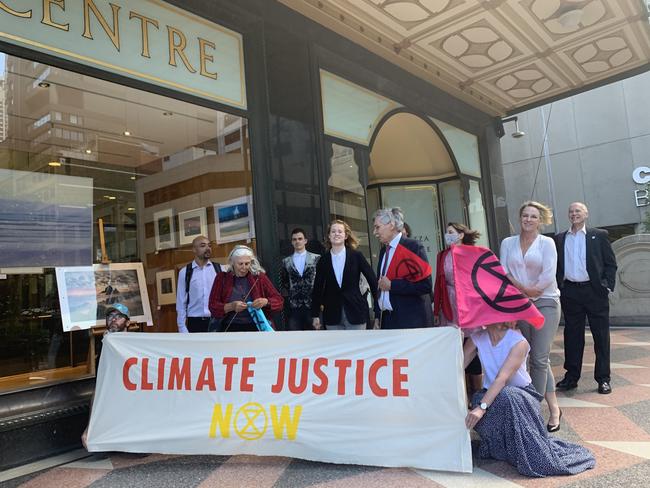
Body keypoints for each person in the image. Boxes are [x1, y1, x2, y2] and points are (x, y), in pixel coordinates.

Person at [464, 323, 595, 478]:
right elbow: (458, 365)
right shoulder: (477, 338)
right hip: (493, 395)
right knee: (480, 398)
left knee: (506, 395)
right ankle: (502, 447)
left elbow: (502, 379)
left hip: (521, 396)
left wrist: (482, 407)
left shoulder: (519, 342)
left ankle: (518, 448)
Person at [500, 202, 562, 431]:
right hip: (520, 303)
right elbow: (503, 270)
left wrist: (532, 290)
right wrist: (523, 289)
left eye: (533, 216)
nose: (528, 219)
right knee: (529, 357)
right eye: (525, 215)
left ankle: (533, 410)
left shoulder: (547, 243)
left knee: (539, 358)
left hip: (545, 301)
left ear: (540, 220)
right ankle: (554, 407)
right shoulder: (508, 243)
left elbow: (548, 274)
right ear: (520, 218)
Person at [554, 202, 617, 394]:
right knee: (572, 336)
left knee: (601, 336)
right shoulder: (559, 239)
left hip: (595, 291)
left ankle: (603, 379)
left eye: (578, 211)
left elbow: (610, 264)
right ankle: (571, 377)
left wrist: (607, 287)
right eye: (571, 211)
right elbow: (556, 266)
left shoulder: (599, 235)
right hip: (570, 292)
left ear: (586, 214)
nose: (574, 214)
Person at [433, 222, 482, 397]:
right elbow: (438, 284)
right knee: (455, 345)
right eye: (446, 232)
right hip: (449, 302)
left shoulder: (472, 253)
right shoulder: (442, 255)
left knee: (472, 344)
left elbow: (480, 279)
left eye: (451, 232)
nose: (448, 235)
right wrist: (436, 309)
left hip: (468, 302)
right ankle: (460, 391)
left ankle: (477, 391)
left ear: (461, 235)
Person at [311, 220, 377, 330]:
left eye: (340, 231)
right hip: (332, 314)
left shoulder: (356, 256)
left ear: (345, 235)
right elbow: (317, 288)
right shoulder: (323, 260)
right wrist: (315, 315)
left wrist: (378, 312)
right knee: (336, 347)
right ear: (328, 235)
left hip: (356, 312)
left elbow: (372, 281)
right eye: (333, 231)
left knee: (357, 346)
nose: (336, 234)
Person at [81, 303, 131, 449]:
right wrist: (89, 428)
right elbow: (100, 386)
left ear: (127, 322)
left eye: (118, 317)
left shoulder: (136, 343)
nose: (113, 320)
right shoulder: (104, 345)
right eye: (110, 316)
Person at [372, 208, 432, 329]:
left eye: (377, 227)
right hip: (387, 321)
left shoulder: (413, 246)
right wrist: (378, 315)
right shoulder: (384, 250)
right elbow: (380, 286)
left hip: (409, 321)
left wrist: (392, 285)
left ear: (391, 225)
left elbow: (425, 285)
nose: (375, 232)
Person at [208, 245, 283, 332]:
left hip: (257, 327)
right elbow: (213, 306)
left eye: (247, 263)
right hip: (230, 327)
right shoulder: (222, 278)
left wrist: (265, 302)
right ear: (232, 263)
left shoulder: (259, 277)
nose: (244, 267)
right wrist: (231, 306)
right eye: (240, 264)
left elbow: (279, 301)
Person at [176, 236, 222, 333]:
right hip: (194, 322)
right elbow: (181, 303)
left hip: (217, 320)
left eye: (209, 245)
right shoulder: (185, 272)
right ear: (194, 249)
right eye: (203, 246)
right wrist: (182, 328)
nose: (208, 248)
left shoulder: (220, 269)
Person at [280, 228, 320, 330]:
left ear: (305, 241)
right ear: (292, 242)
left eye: (300, 238)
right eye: (294, 239)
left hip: (313, 306)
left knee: (316, 338)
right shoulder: (286, 261)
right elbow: (285, 283)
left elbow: (320, 281)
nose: (297, 241)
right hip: (294, 308)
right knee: (296, 338)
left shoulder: (316, 258)